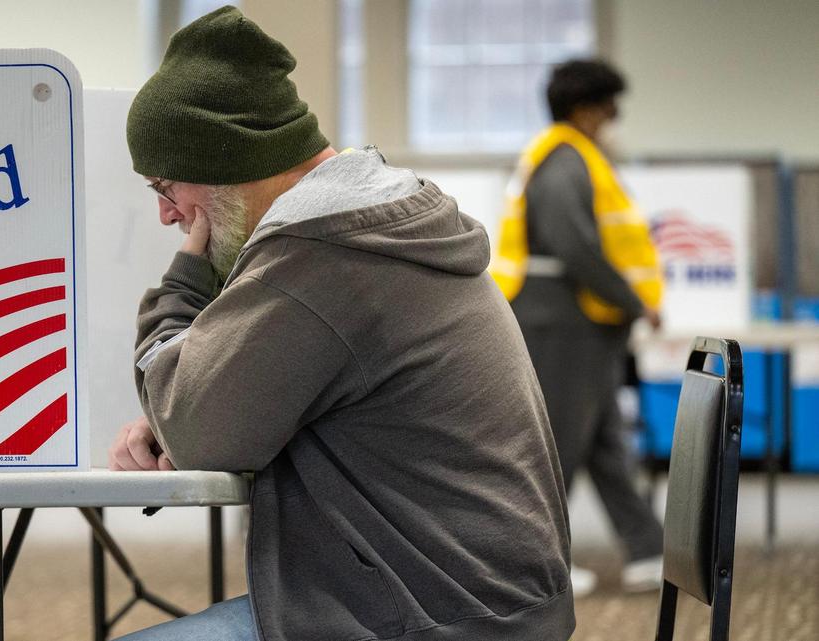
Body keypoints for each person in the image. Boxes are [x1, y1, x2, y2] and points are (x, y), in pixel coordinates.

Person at [109, 7, 574, 640]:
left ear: (223, 162)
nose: (168, 215)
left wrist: (183, 293)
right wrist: (187, 402)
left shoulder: (322, 251)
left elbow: (197, 431)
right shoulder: (370, 223)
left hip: (437, 619)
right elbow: (222, 410)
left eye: (166, 186)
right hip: (482, 601)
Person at [490, 59, 666, 596]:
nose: (615, 116)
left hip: (579, 321)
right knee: (560, 443)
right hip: (562, 319)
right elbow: (576, 247)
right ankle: (535, 566)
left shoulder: (574, 158)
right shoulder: (565, 164)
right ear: (586, 108)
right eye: (610, 104)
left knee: (604, 439)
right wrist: (632, 299)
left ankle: (648, 550)